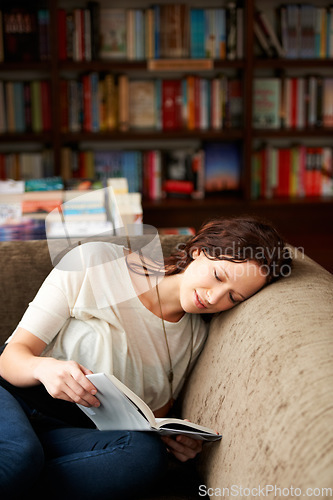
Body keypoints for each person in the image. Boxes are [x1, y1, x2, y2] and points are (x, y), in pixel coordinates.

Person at [0, 215, 292, 499]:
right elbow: (10, 359)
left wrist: (174, 440)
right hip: (15, 396)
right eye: (218, 276)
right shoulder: (95, 261)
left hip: (71, 429)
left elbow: (151, 416)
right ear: (199, 250)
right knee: (20, 454)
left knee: (144, 456)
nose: (214, 298)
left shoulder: (195, 338)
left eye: (232, 298)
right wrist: (44, 368)